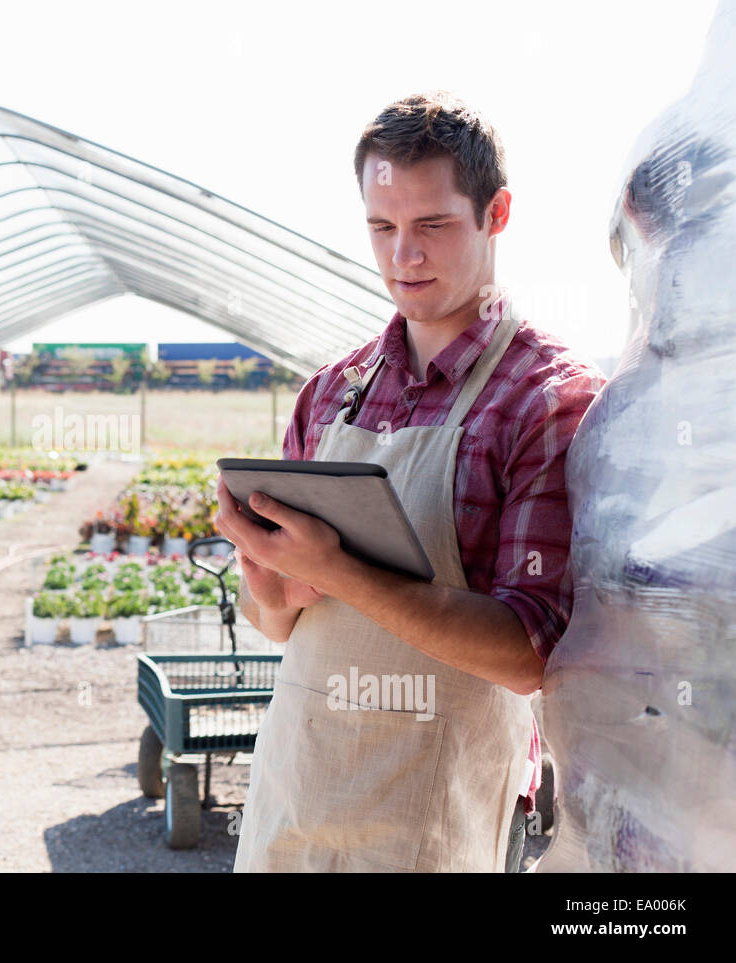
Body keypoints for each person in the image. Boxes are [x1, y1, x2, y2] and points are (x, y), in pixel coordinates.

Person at [214, 90, 607, 872]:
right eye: (382, 228)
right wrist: (274, 587)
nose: (405, 256)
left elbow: (527, 652)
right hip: (294, 800)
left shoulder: (546, 398)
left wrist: (340, 571)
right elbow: (277, 625)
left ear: (496, 213)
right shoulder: (333, 389)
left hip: (428, 819)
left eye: (432, 225)